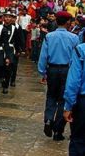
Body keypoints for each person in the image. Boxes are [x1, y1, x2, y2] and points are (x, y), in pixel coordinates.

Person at [38, 11, 79, 141]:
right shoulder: (74, 38)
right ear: (68, 22)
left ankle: (49, 120)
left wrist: (42, 71)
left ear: (56, 21)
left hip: (52, 69)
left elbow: (43, 55)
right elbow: (76, 58)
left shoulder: (49, 36)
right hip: (67, 70)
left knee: (51, 95)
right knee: (63, 99)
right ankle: (58, 130)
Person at [63, 43, 85, 156]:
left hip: (82, 102)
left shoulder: (81, 50)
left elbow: (74, 81)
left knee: (78, 140)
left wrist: (68, 106)